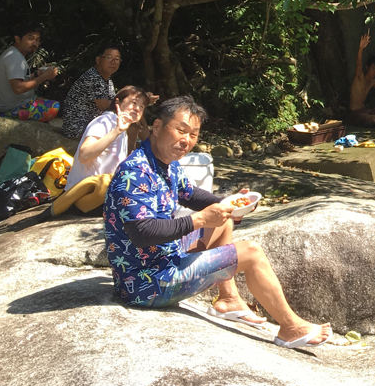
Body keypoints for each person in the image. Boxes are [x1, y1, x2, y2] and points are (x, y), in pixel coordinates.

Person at [104, 95, 336, 347]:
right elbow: (142, 233)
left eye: (193, 135)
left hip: (162, 258)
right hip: (146, 283)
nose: (186, 141)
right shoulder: (136, 171)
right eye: (181, 130)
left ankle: (228, 300)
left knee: (222, 219)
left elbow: (189, 194)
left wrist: (230, 204)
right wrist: (201, 219)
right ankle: (290, 327)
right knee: (251, 253)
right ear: (158, 127)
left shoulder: (166, 163)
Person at [52, 85, 155, 216]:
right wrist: (117, 131)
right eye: (134, 103)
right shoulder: (105, 121)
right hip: (85, 197)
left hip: (100, 195)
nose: (137, 109)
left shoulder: (122, 126)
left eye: (141, 107)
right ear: (117, 102)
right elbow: (84, 155)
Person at [0, 22, 60, 122]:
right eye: (30, 39)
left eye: (37, 40)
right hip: (12, 110)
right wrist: (44, 77)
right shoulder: (14, 57)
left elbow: (19, 81)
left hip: (14, 105)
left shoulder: (15, 54)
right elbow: (18, 88)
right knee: (58, 107)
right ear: (18, 39)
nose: (35, 44)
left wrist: (37, 74)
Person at [59, 45, 124, 139]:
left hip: (92, 124)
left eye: (117, 59)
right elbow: (106, 106)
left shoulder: (107, 80)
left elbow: (114, 102)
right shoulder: (93, 78)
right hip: (78, 127)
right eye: (109, 58)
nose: (113, 62)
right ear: (98, 60)